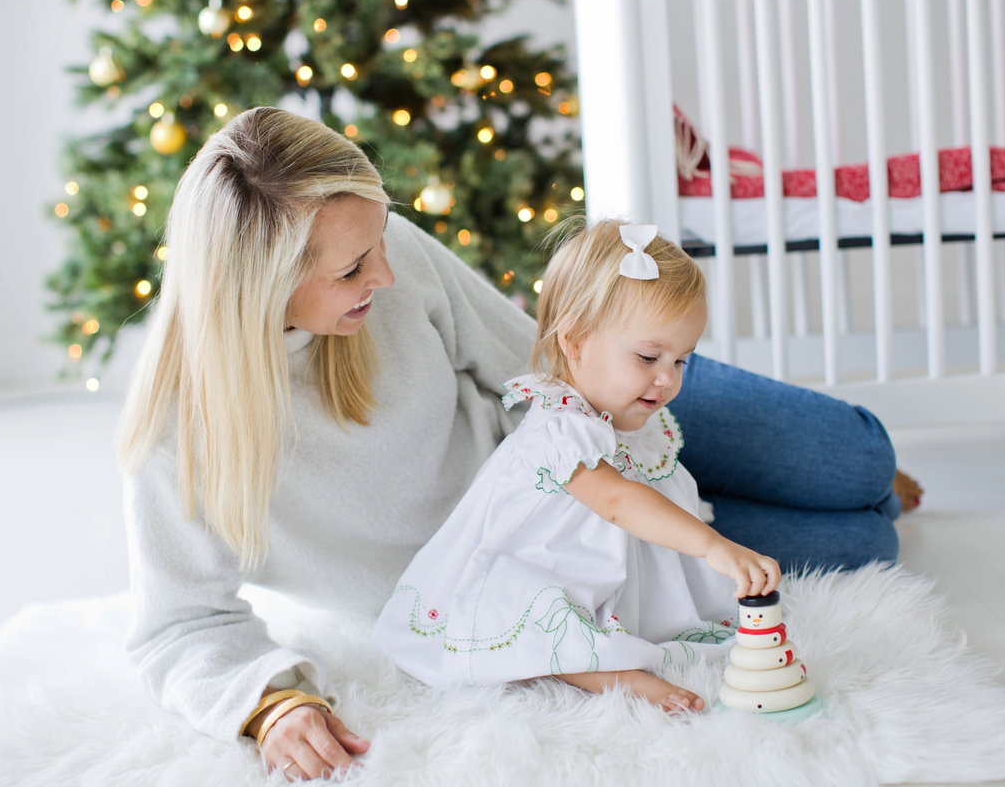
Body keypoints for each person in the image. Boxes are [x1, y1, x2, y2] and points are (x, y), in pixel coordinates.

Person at [118, 107, 905, 781]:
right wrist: (270, 704)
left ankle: (842, 483)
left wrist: (634, 449)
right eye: (354, 269)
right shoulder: (178, 431)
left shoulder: (385, 257)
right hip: (532, 565)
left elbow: (526, 358)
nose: (386, 273)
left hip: (586, 413)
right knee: (865, 541)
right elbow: (177, 623)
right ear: (263, 284)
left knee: (858, 460)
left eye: (381, 236)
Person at [372, 220, 781, 713]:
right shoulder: (561, 428)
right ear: (575, 342)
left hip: (609, 571)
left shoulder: (636, 417)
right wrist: (712, 545)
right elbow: (618, 501)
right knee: (541, 615)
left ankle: (617, 643)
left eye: (681, 361)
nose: (667, 380)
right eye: (649, 356)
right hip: (543, 566)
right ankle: (606, 673)